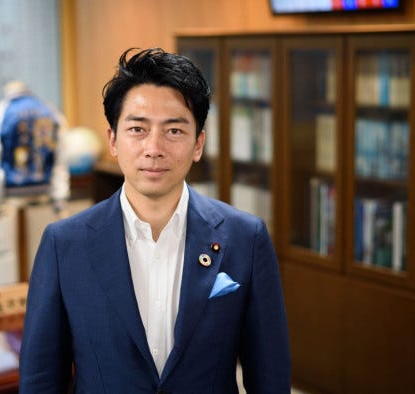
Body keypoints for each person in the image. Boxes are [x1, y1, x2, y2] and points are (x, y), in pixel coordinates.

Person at [20, 48, 290, 393]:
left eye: (174, 131)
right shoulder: (64, 243)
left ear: (198, 144)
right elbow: (41, 378)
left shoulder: (245, 237)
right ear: (113, 140)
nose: (154, 147)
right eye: (137, 129)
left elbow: (270, 376)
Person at [0, 80, 70, 220]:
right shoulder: (50, 111)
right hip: (44, 191)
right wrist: (60, 200)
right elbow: (60, 160)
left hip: (12, 193)